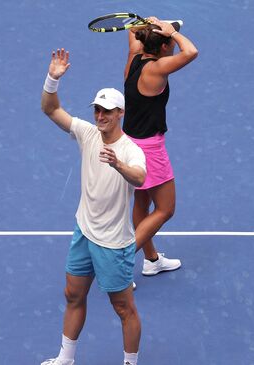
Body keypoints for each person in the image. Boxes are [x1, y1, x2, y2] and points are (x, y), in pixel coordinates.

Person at [40, 48, 147, 365]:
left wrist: (118, 166)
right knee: (73, 294)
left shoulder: (131, 149)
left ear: (120, 114)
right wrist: (52, 79)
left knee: (123, 308)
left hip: (113, 244)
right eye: (97, 110)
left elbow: (140, 177)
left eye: (107, 111)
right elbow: (50, 109)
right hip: (84, 233)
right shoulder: (87, 133)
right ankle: (66, 358)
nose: (100, 116)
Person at [123, 17, 198, 277]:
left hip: (129, 144)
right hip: (149, 150)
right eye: (170, 41)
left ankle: (151, 259)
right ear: (164, 47)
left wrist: (157, 26)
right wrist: (171, 32)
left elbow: (133, 34)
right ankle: (117, 262)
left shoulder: (134, 58)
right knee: (165, 209)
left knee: (141, 205)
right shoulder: (157, 69)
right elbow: (191, 52)